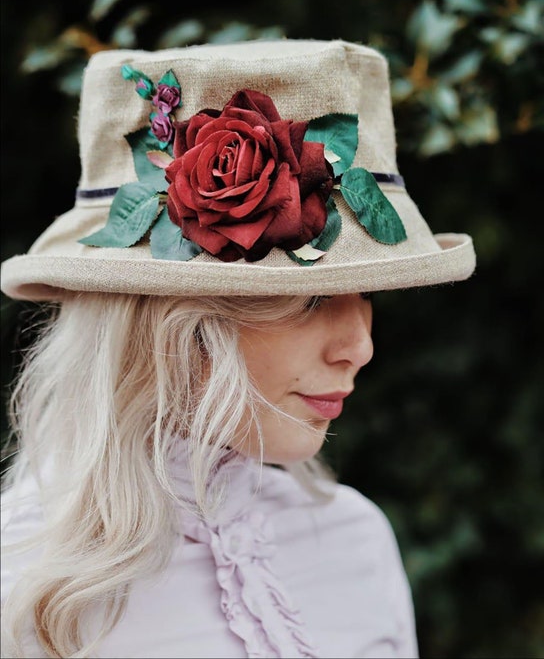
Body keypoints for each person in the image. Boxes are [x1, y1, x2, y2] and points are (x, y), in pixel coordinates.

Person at [0, 39, 476, 659]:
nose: (360, 346)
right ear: (166, 320)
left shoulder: (354, 539)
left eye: (366, 294)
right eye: (307, 301)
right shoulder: (29, 578)